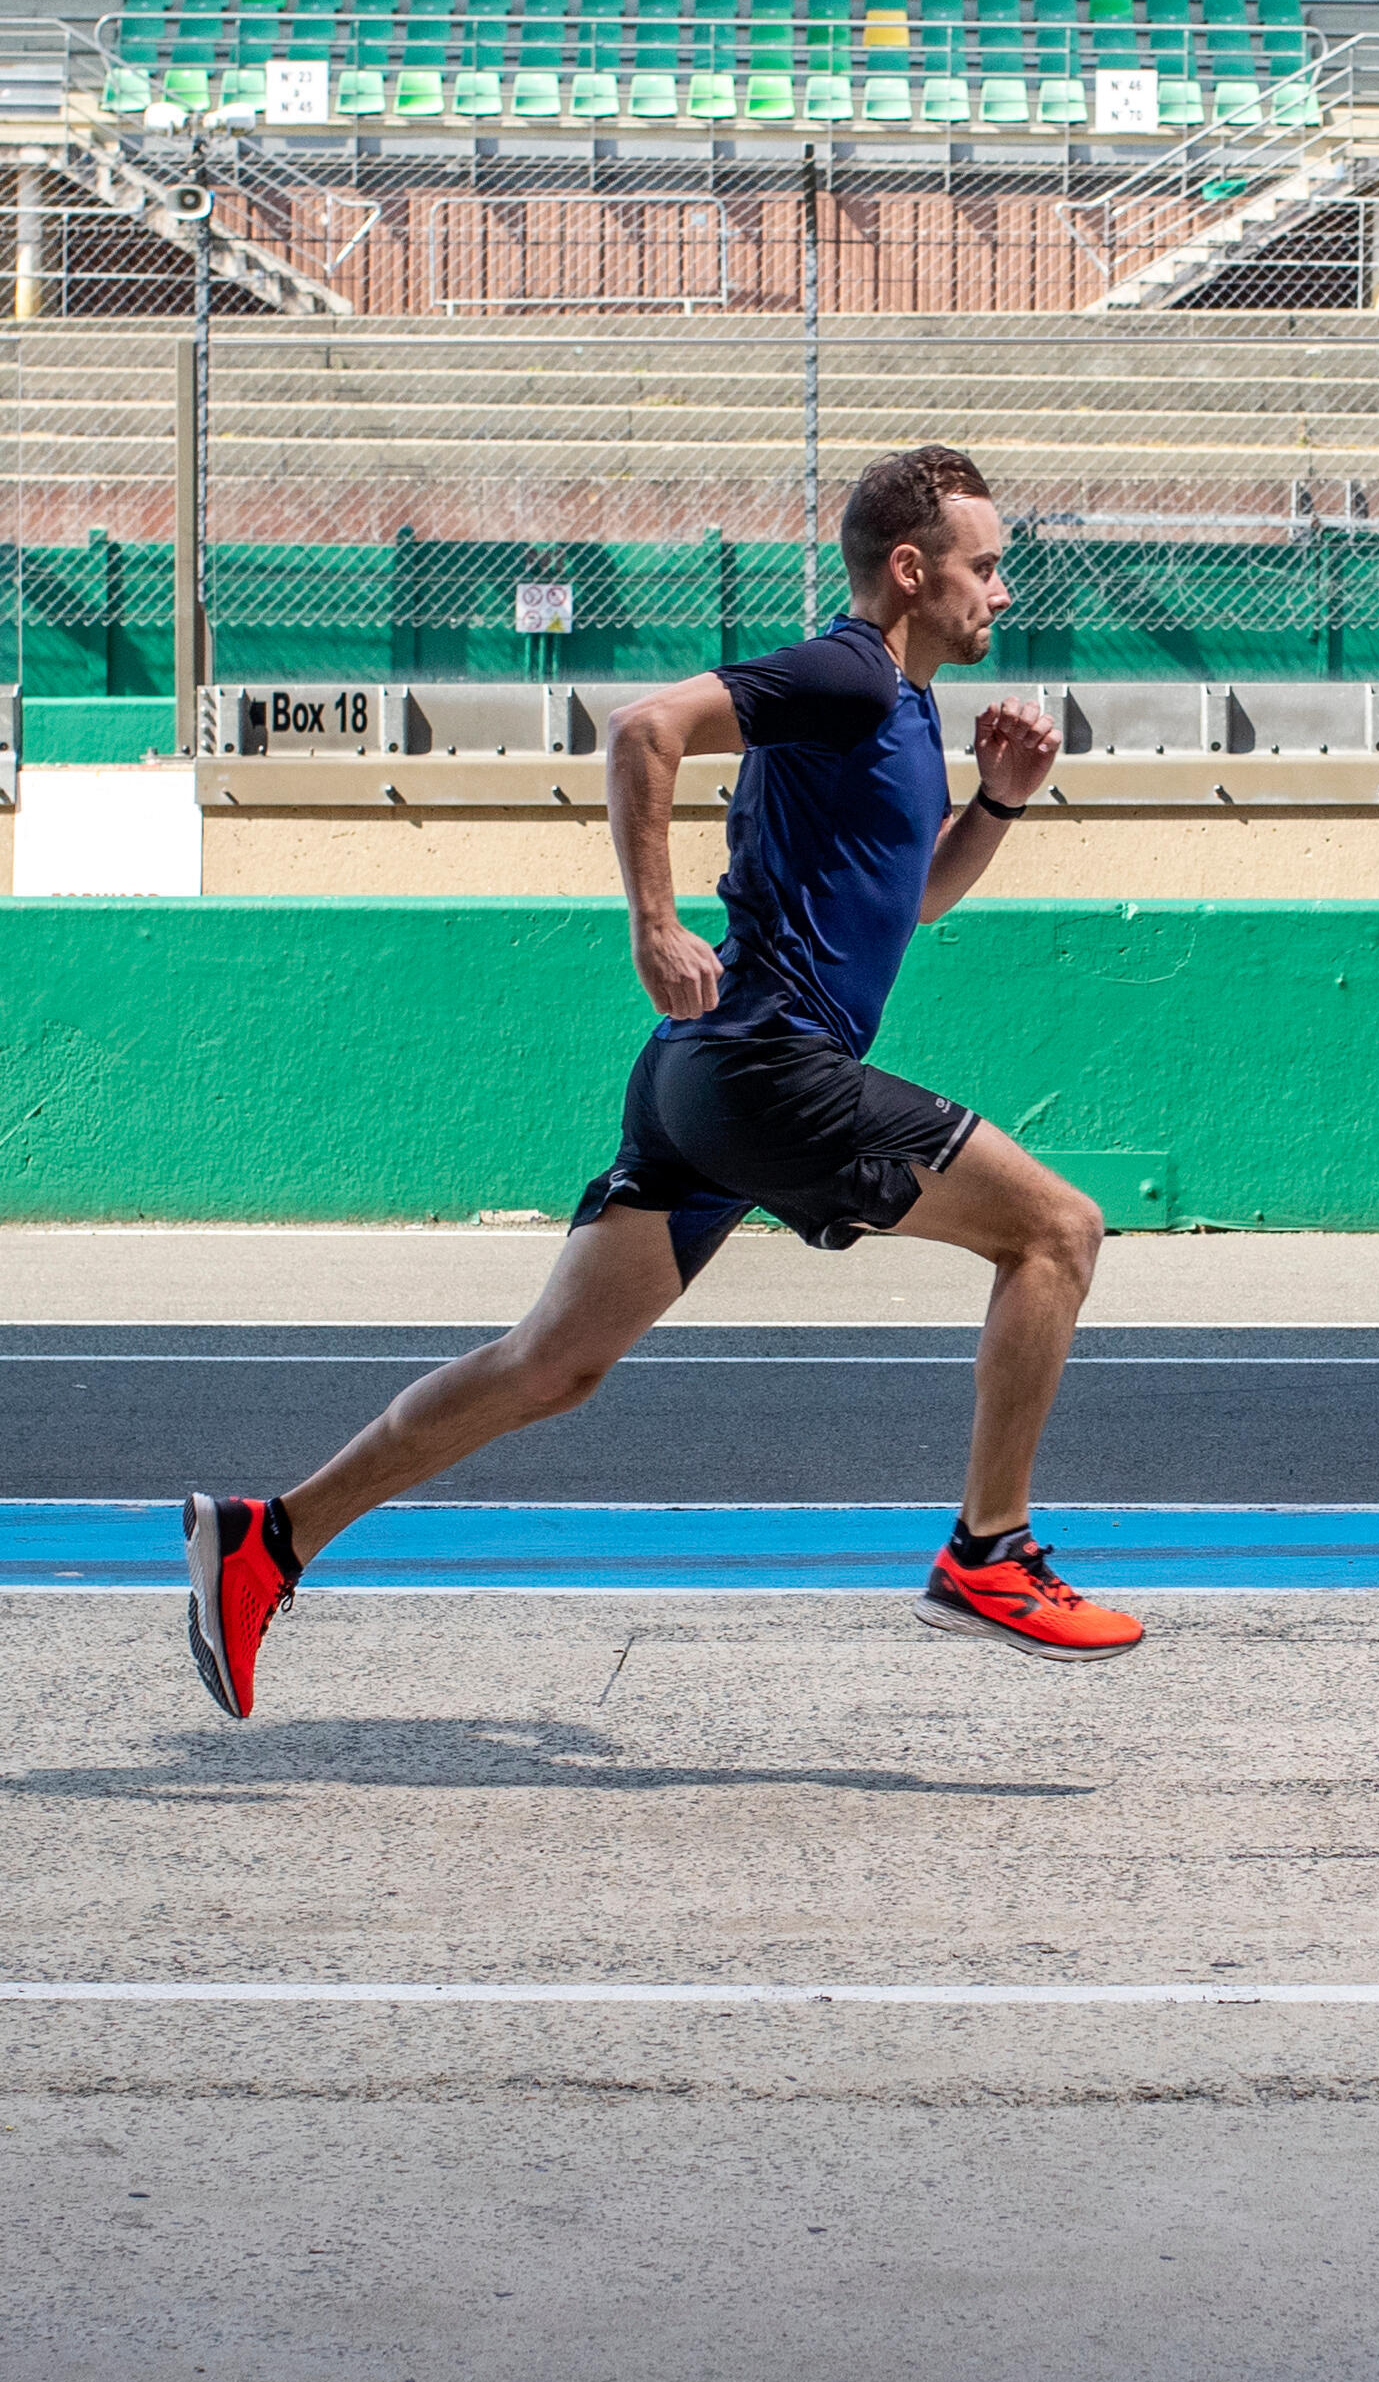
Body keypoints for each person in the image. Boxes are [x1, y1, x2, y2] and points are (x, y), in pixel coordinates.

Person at [182, 442, 1139, 1720]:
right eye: (985, 567)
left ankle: (269, 1540)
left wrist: (999, 807)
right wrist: (652, 920)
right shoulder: (849, 672)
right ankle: (991, 1549)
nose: (1001, 593)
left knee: (548, 1365)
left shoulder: (897, 713)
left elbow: (900, 905)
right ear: (911, 571)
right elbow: (647, 726)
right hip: (764, 1067)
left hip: (701, 1080)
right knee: (1058, 1233)